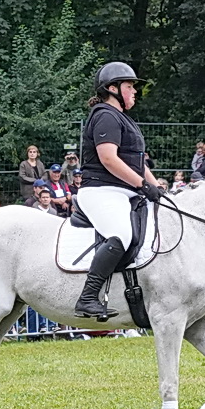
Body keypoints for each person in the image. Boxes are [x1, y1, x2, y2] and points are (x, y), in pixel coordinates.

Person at [73, 62, 160, 321]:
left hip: (125, 191)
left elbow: (137, 163)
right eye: (130, 86)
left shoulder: (123, 118)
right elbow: (109, 159)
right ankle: (88, 297)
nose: (134, 91)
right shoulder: (105, 115)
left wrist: (155, 187)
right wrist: (142, 185)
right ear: (112, 88)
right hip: (101, 190)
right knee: (121, 233)